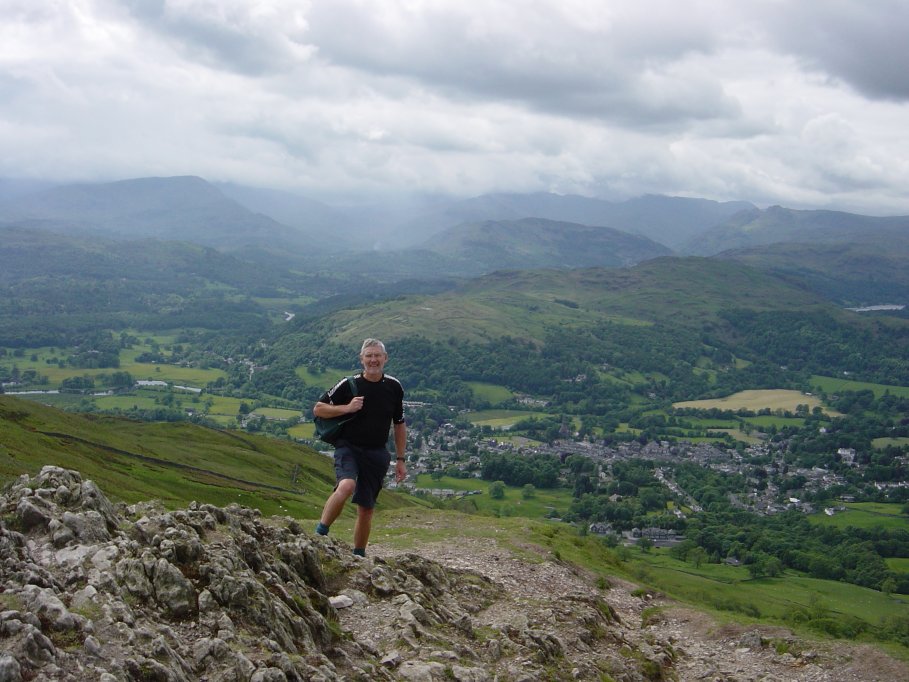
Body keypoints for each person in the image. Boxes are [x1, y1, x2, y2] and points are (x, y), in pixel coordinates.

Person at [312, 338, 406, 556]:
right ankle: (319, 535)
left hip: (377, 452)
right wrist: (347, 408)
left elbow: (399, 423)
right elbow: (318, 409)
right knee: (346, 486)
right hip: (349, 447)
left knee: (366, 508)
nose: (373, 360)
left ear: (385, 358)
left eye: (377, 355)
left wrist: (400, 460)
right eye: (369, 356)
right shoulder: (348, 384)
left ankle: (359, 555)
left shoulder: (394, 387)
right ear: (361, 359)